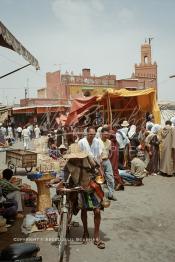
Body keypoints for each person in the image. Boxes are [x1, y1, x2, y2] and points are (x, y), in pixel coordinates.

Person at [78, 127, 105, 249]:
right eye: (90, 134)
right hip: (83, 174)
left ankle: (96, 235)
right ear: (86, 133)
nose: (92, 136)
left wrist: (100, 170)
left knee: (97, 209)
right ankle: (85, 231)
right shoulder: (81, 142)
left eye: (93, 134)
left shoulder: (98, 142)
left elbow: (99, 158)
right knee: (83, 207)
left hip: (94, 173)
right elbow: (78, 158)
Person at [99, 127, 116, 200]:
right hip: (99, 162)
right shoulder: (97, 141)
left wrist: (109, 157)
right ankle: (100, 195)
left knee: (110, 178)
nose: (106, 136)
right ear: (101, 134)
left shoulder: (109, 142)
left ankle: (111, 194)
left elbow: (110, 151)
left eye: (107, 134)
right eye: (105, 134)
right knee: (100, 179)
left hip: (107, 160)